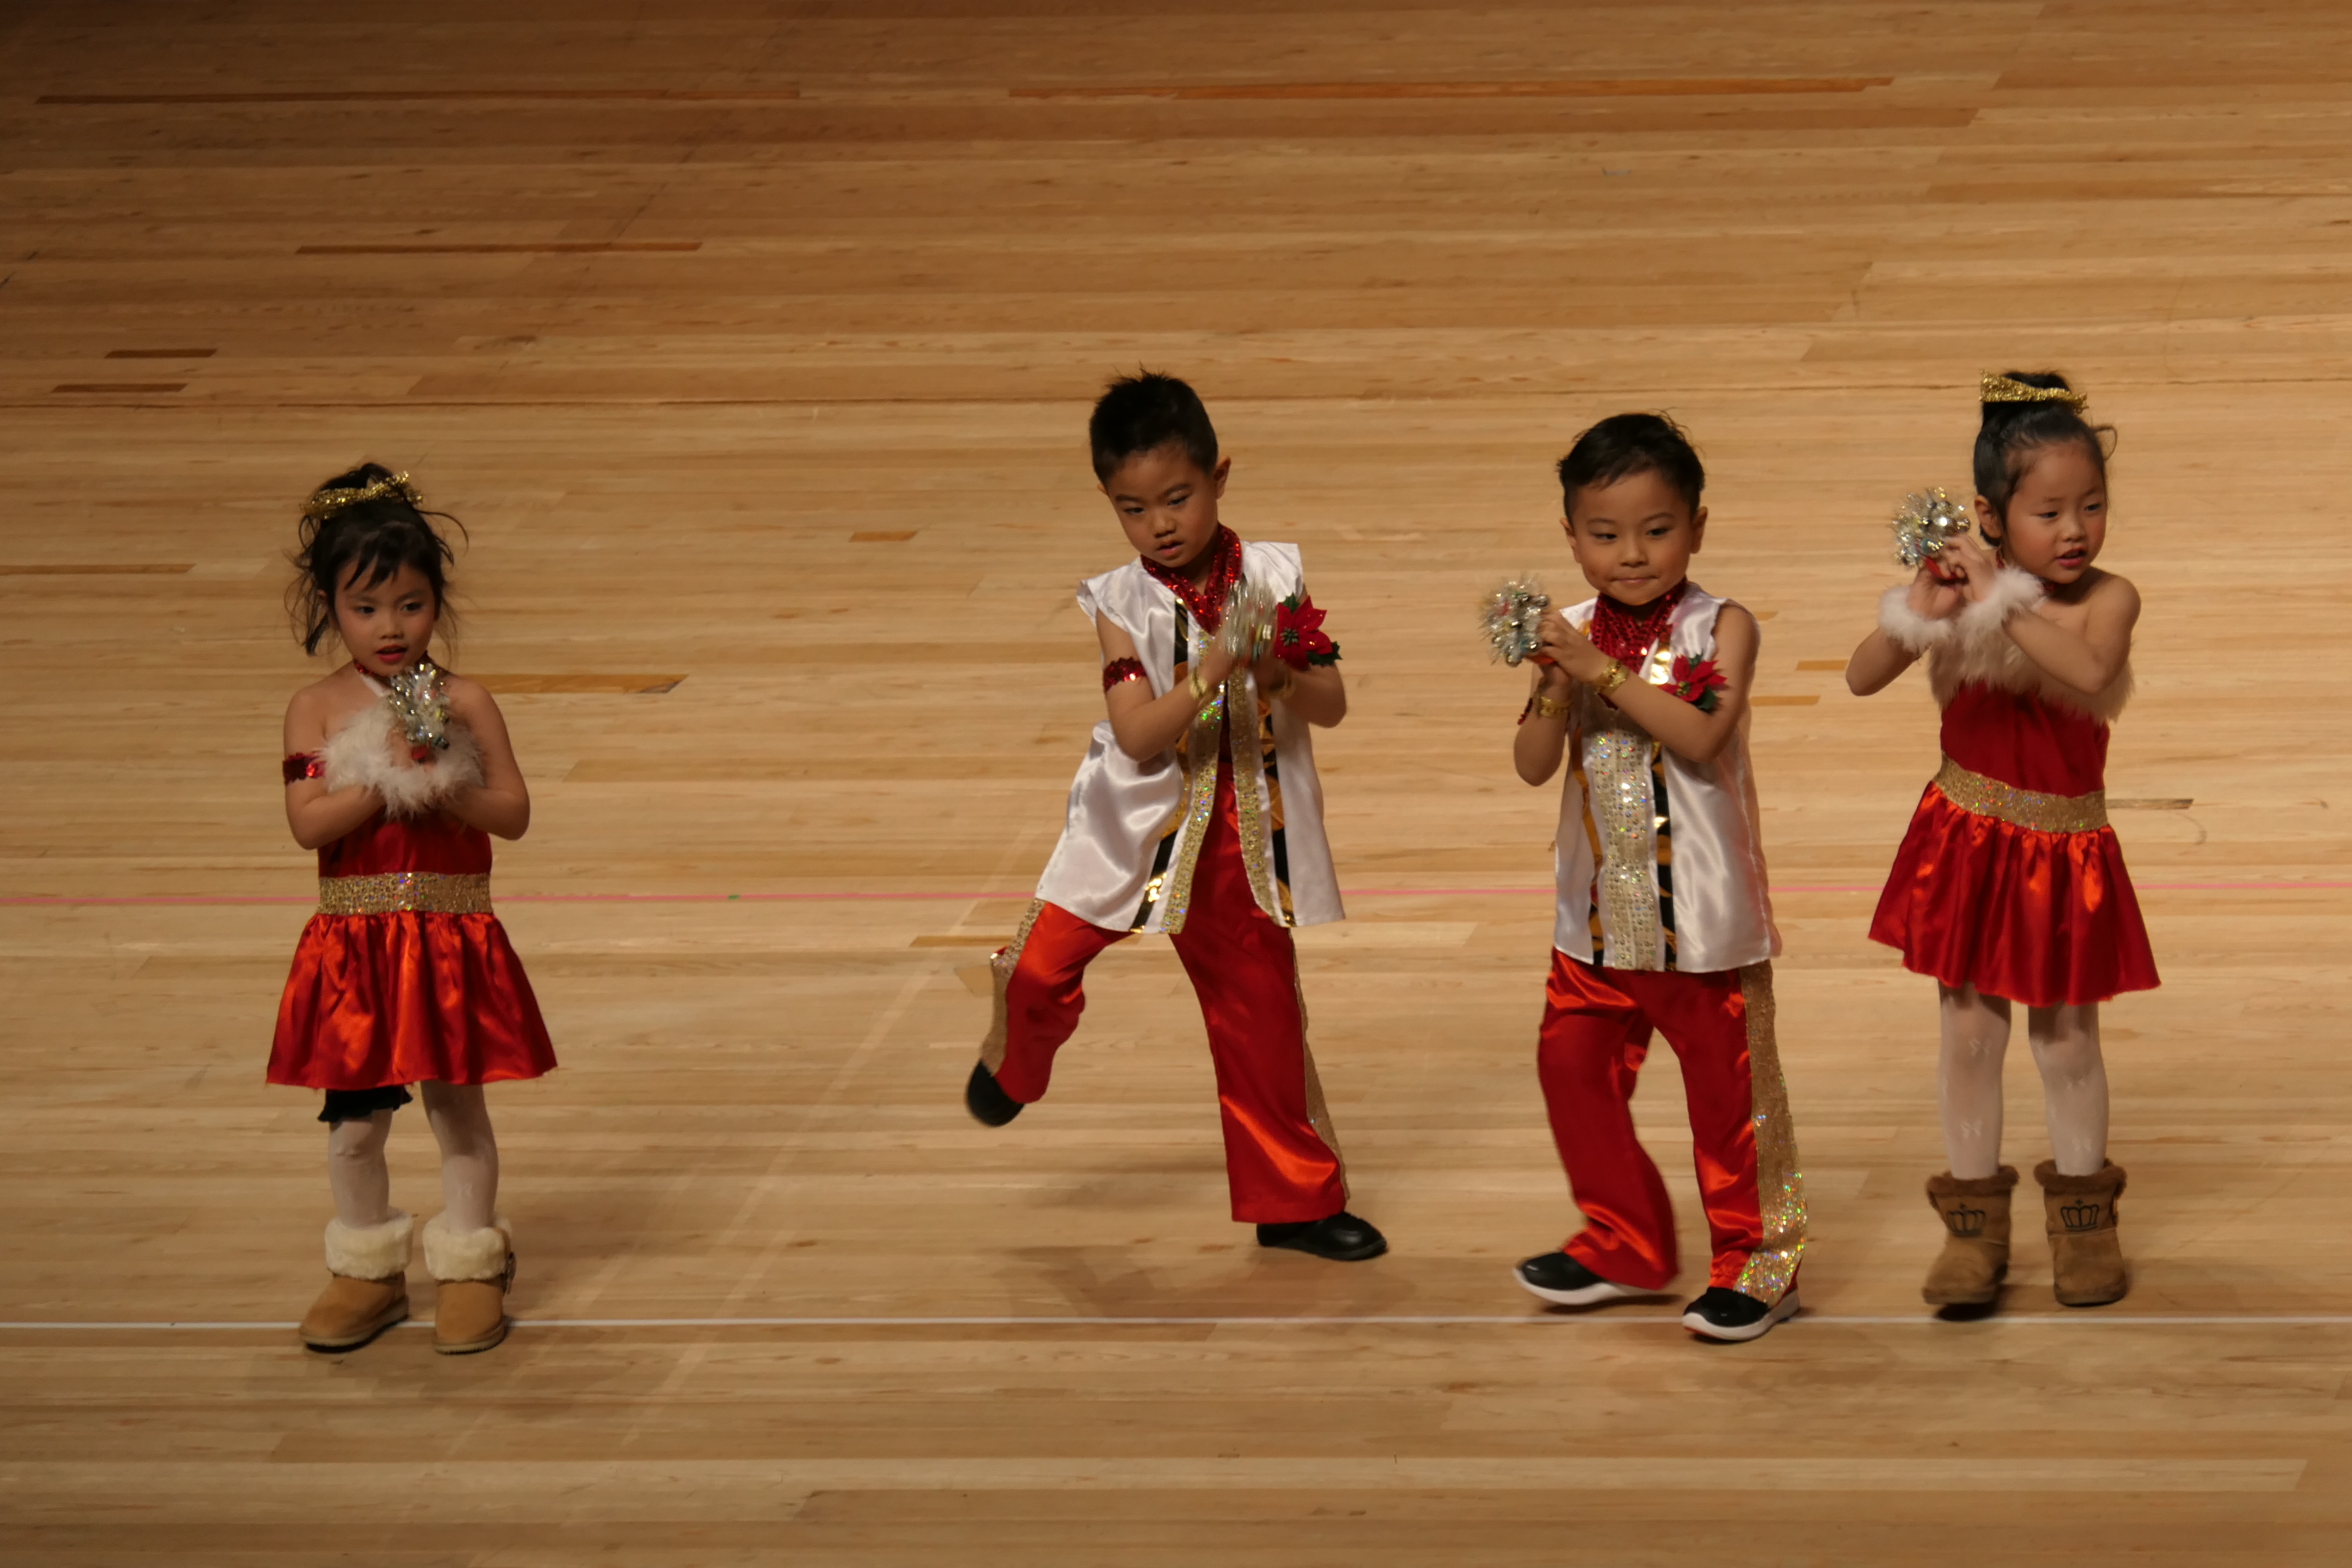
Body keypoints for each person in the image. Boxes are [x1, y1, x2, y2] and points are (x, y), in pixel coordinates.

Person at [963, 371, 1384, 1262]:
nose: (1159, 524)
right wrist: (1216, 667)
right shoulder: (1118, 603)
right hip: (1130, 826)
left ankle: (1294, 1204)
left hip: (1243, 833)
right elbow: (1137, 734)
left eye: (1177, 498)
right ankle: (1015, 1061)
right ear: (1110, 505)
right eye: (1133, 508)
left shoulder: (1275, 575)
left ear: (1218, 477)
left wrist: (1274, 668)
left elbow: (1333, 703)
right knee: (1038, 969)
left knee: (1261, 1019)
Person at [1847, 373, 2153, 1312]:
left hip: (2063, 855)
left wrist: (2000, 600)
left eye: (2091, 505)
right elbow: (1861, 676)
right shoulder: (1963, 596)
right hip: (1968, 844)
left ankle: (2085, 1226)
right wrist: (1919, 608)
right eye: (2048, 512)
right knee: (1971, 1038)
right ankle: (1972, 1232)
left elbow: (2089, 670)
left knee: (2066, 1043)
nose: (2075, 530)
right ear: (1990, 516)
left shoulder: (2108, 600)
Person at [1512, 413, 1806, 1344]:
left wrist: (1598, 672)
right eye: (1605, 534)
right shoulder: (1567, 633)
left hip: (1704, 927)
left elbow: (1703, 734)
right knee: (1571, 1071)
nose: (1632, 554)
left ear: (1697, 527)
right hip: (1594, 921)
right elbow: (1530, 764)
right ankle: (1625, 1242)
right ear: (1572, 536)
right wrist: (1553, 689)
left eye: (1656, 529)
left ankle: (1761, 1265)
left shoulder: (1722, 626)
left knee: (1730, 1102)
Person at [268, 464, 556, 1353]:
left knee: (458, 1113)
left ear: (437, 602)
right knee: (356, 1126)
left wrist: (445, 776)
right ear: (330, 606)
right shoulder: (315, 708)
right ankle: (367, 1270)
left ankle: (471, 1265)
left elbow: (513, 814)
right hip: (356, 953)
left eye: (411, 604)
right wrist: (384, 775)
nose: (390, 627)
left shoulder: (466, 702)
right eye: (366, 607)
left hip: (447, 944)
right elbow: (307, 824)